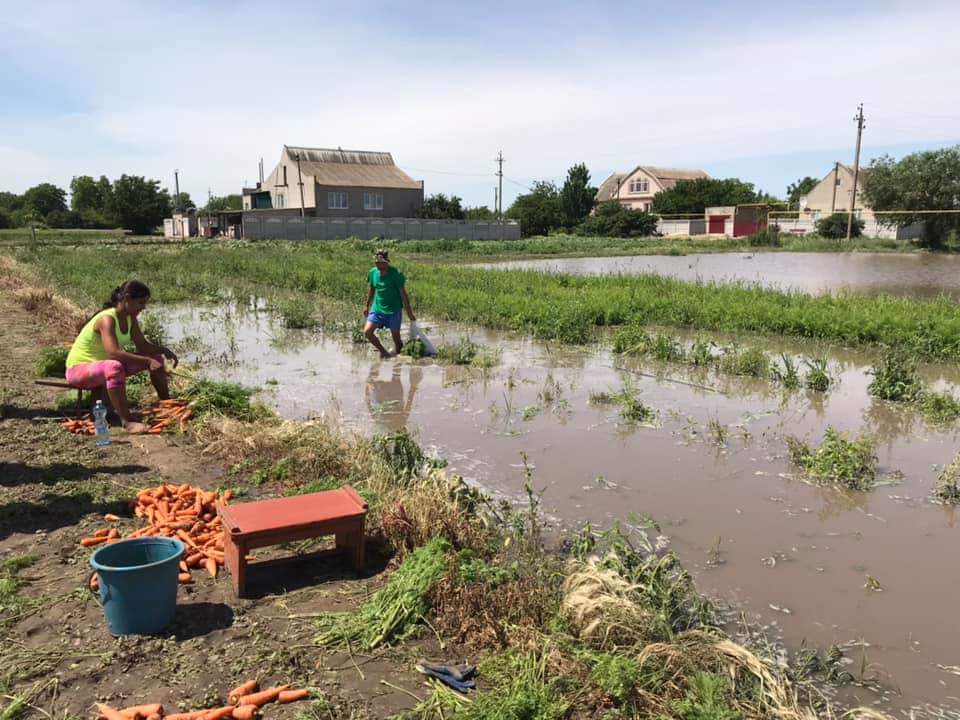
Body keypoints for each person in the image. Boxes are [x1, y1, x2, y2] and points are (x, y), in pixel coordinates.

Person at [65, 280, 178, 434]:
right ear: (126, 298)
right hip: (79, 370)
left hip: (102, 367)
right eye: (140, 303)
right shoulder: (107, 319)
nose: (143, 307)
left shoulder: (130, 319)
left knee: (156, 358)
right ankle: (127, 422)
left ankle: (167, 405)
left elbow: (143, 346)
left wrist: (163, 351)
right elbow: (114, 353)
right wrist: (147, 361)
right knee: (114, 366)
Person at [363, 249, 416, 358]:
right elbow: (372, 289)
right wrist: (367, 305)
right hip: (377, 309)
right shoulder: (373, 272)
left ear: (386, 262)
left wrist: (409, 313)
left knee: (397, 340)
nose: (377, 264)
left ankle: (399, 360)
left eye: (380, 262)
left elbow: (403, 295)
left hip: (393, 310)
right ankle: (384, 352)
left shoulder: (396, 274)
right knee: (368, 332)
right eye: (376, 262)